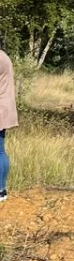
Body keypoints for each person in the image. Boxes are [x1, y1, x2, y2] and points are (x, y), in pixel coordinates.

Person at [0, 40, 17, 203]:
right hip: (4, 107)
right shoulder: (3, 56)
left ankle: (0, 190)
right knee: (0, 150)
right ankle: (1, 189)